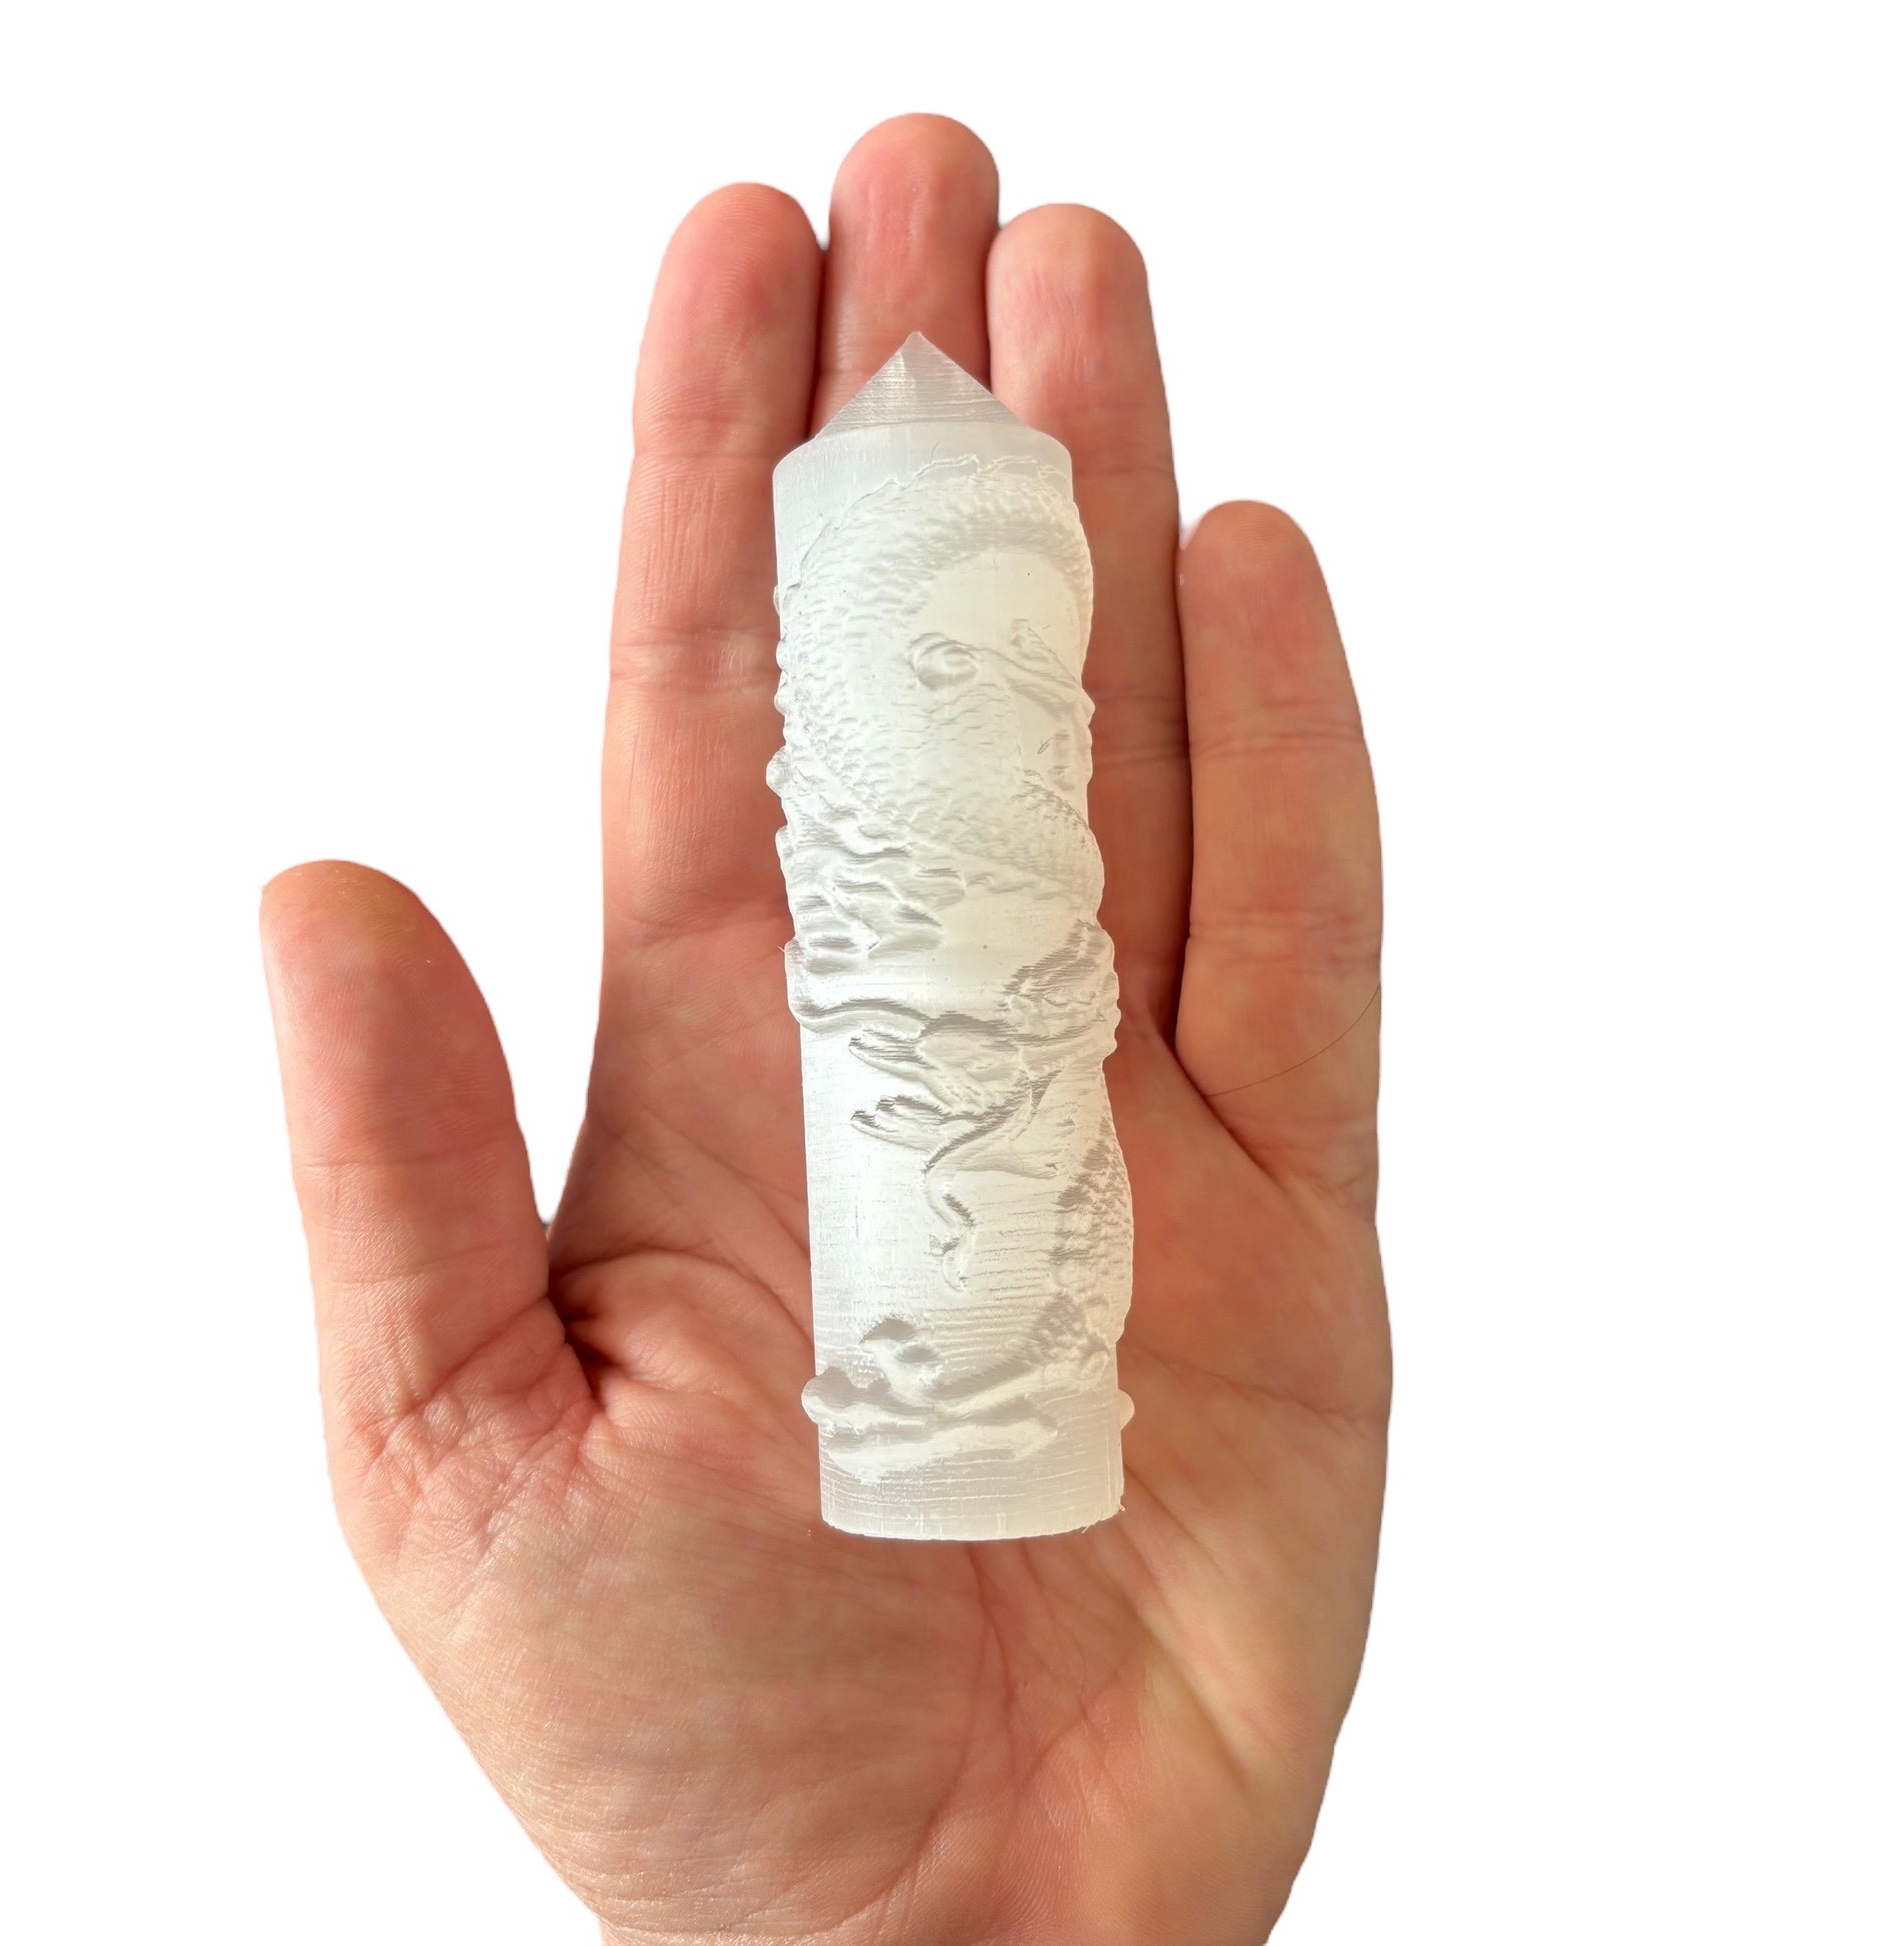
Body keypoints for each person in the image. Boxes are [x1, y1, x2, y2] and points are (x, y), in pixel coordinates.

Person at [261, 113, 1387, 1946]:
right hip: (929, 1247)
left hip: (1013, 1233)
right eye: (957, 647)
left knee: (1005, 1118)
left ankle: (987, 1387)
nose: (992, 668)